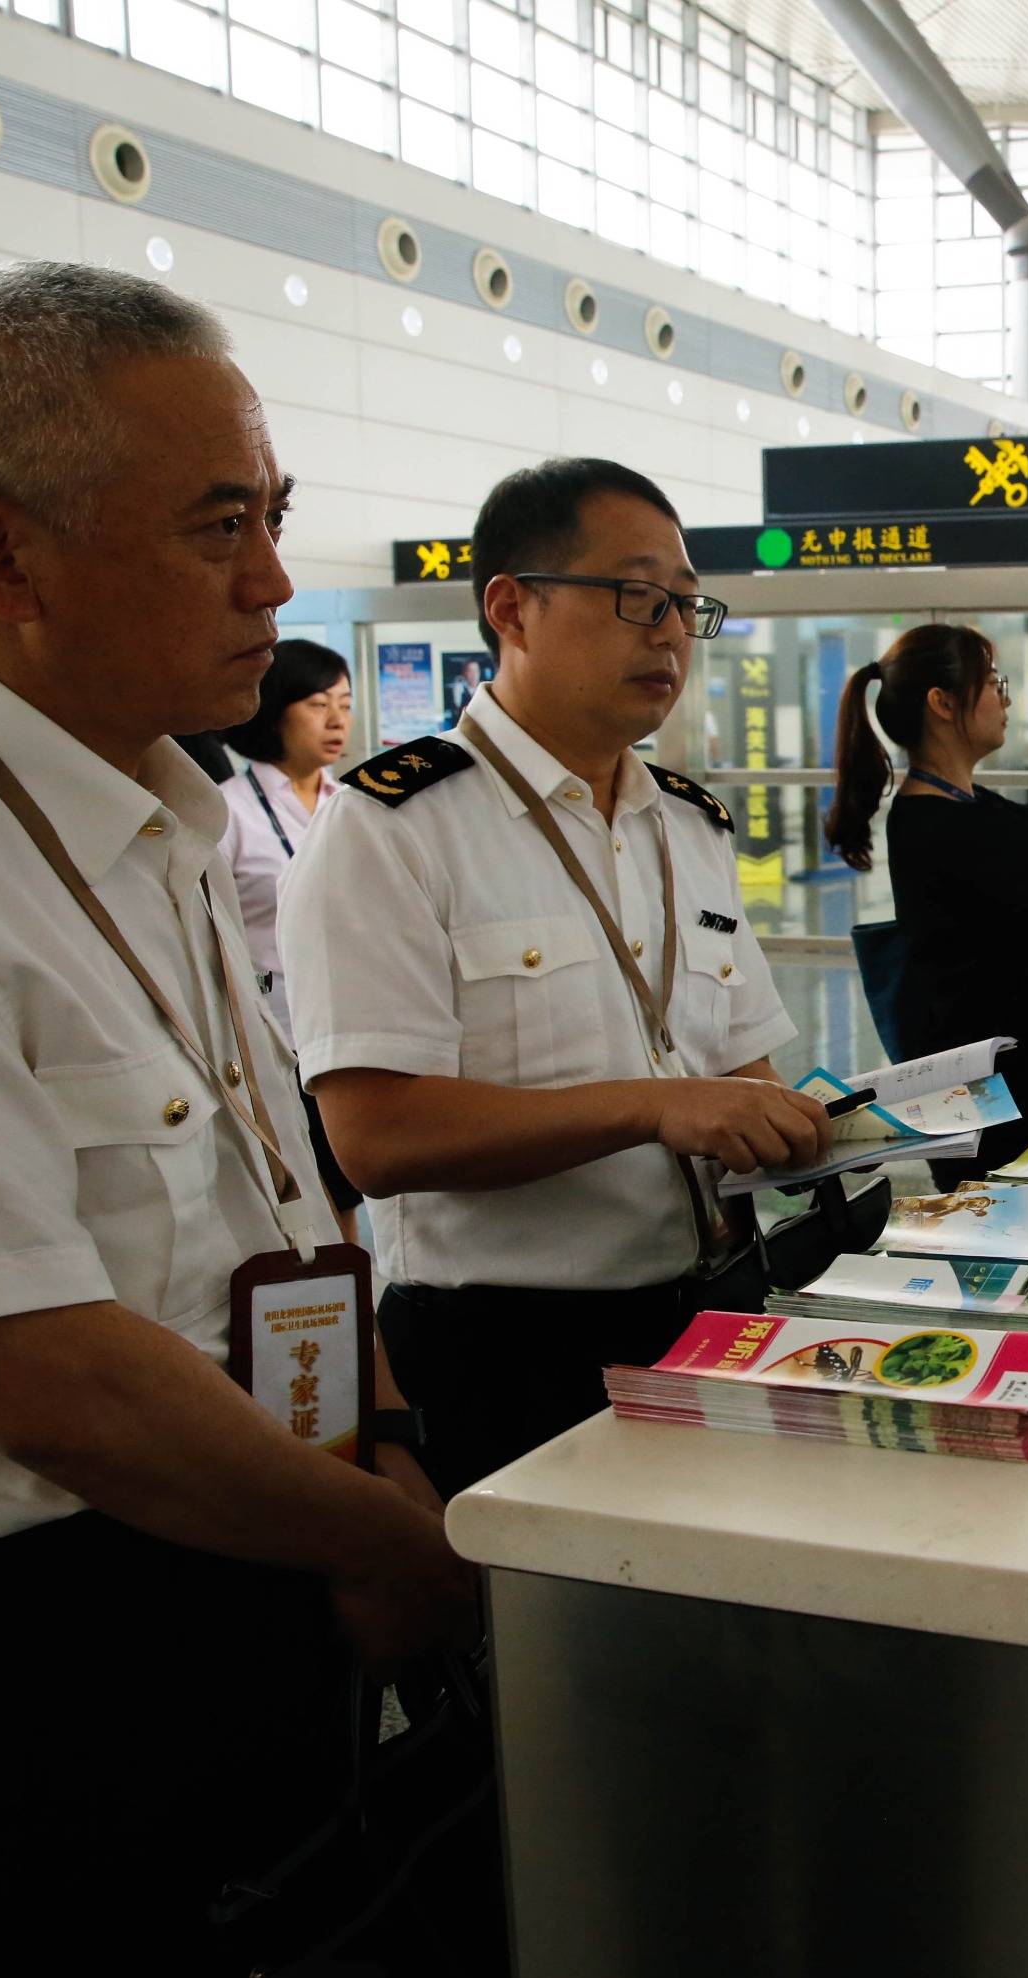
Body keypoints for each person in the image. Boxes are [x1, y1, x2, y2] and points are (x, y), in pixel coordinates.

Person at [0, 261, 472, 1978]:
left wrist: (381, 1446)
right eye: (219, 527)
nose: (273, 585)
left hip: (275, 1545)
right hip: (48, 1665)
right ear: (0, 556)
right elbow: (45, 1372)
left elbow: (267, 1195)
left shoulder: (164, 806)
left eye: (273, 516)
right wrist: (397, 1545)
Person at [279, 457, 827, 1497]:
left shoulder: (688, 824)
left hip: (716, 1312)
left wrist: (833, 1125)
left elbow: (743, 1077)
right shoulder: (391, 827)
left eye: (683, 602)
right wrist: (656, 1109)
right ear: (512, 607)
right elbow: (378, 1137)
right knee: (546, 1654)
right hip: (510, 1351)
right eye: (635, 595)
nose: (669, 630)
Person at [825, 623, 1028, 1181]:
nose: (1005, 697)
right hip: (1008, 1113)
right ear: (942, 703)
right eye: (993, 682)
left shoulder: (960, 806)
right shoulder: (939, 827)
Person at [218, 637, 353, 1031]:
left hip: (355, 1027)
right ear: (274, 710)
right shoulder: (227, 812)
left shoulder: (355, 805)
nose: (337, 720)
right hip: (275, 1030)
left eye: (345, 705)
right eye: (318, 704)